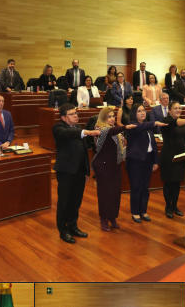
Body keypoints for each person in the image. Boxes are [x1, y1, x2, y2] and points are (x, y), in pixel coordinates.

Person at [52, 104, 100, 243]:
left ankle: (73, 227)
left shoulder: (78, 128)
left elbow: (84, 152)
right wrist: (87, 132)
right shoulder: (59, 128)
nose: (75, 116)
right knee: (64, 202)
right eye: (72, 114)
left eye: (76, 113)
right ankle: (63, 231)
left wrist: (86, 171)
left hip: (79, 171)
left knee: (76, 201)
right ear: (63, 117)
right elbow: (68, 134)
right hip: (66, 172)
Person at [92, 107, 135, 231]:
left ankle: (112, 217)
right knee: (105, 193)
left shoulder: (116, 131)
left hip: (115, 165)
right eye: (109, 117)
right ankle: (103, 218)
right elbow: (109, 132)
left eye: (113, 116)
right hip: (103, 165)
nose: (112, 119)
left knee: (115, 193)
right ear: (103, 118)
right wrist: (126, 127)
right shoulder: (99, 129)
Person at [126, 104, 165, 223]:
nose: (143, 113)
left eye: (143, 110)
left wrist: (155, 161)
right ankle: (135, 212)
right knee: (136, 187)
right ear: (134, 113)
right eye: (139, 111)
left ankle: (143, 211)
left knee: (145, 187)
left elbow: (153, 145)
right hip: (135, 161)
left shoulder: (148, 126)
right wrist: (154, 123)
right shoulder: (132, 125)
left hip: (148, 159)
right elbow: (139, 127)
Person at [160, 101, 185, 218]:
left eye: (179, 108)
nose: (178, 110)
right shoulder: (165, 121)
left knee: (177, 182)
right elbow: (174, 123)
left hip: (181, 156)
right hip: (168, 155)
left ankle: (175, 206)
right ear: (169, 110)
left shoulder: (183, 123)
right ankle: (168, 206)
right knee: (169, 182)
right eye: (175, 108)